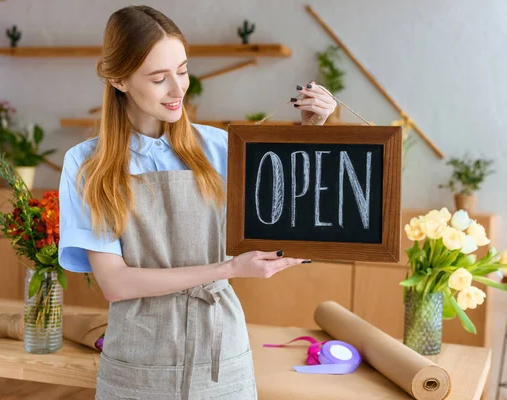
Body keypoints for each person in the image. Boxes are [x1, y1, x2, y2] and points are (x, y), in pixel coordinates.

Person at [58, 5, 337, 400]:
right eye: (158, 78)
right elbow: (115, 283)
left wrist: (312, 133)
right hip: (137, 363)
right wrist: (228, 268)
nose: (178, 90)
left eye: (183, 70)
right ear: (118, 79)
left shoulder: (221, 147)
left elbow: (286, 209)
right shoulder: (87, 164)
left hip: (222, 355)